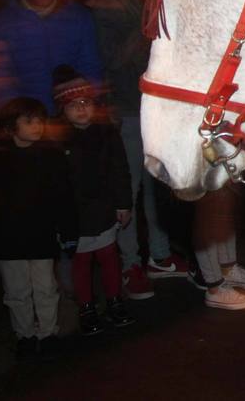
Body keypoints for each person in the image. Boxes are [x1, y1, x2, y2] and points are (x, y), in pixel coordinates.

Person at [90, 0, 188, 298]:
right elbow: (113, 60)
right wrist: (147, 22)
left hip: (161, 108)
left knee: (156, 185)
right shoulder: (110, 5)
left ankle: (159, 257)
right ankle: (130, 263)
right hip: (130, 107)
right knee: (127, 190)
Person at [0, 96, 76, 360]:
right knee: (17, 291)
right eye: (28, 121)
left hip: (41, 234)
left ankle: (48, 333)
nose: (37, 127)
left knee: (45, 288)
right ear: (11, 125)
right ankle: (25, 335)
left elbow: (63, 196)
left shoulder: (50, 155)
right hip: (8, 237)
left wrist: (68, 231)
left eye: (40, 121)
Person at [56, 67, 137, 335]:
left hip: (103, 210)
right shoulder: (59, 141)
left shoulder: (107, 134)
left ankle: (114, 300)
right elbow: (57, 184)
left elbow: (120, 170)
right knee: (80, 263)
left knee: (109, 257)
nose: (81, 109)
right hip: (75, 216)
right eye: (73, 105)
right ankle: (86, 307)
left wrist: (123, 204)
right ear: (62, 109)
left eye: (86, 103)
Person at [0, 0, 103, 116]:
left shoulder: (79, 16)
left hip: (72, 114)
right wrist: (16, 115)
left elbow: (90, 66)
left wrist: (88, 107)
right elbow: (1, 78)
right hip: (28, 118)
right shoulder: (1, 23)